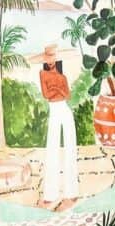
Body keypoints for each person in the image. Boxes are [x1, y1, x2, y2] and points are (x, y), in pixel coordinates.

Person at [37, 44, 79, 211]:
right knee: (52, 148)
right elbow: (47, 95)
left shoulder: (63, 77)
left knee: (70, 148)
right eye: (48, 59)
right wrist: (56, 90)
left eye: (53, 58)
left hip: (65, 110)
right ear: (45, 60)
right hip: (54, 110)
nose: (51, 62)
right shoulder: (42, 74)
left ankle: (72, 193)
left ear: (57, 59)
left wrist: (56, 90)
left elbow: (67, 95)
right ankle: (50, 195)